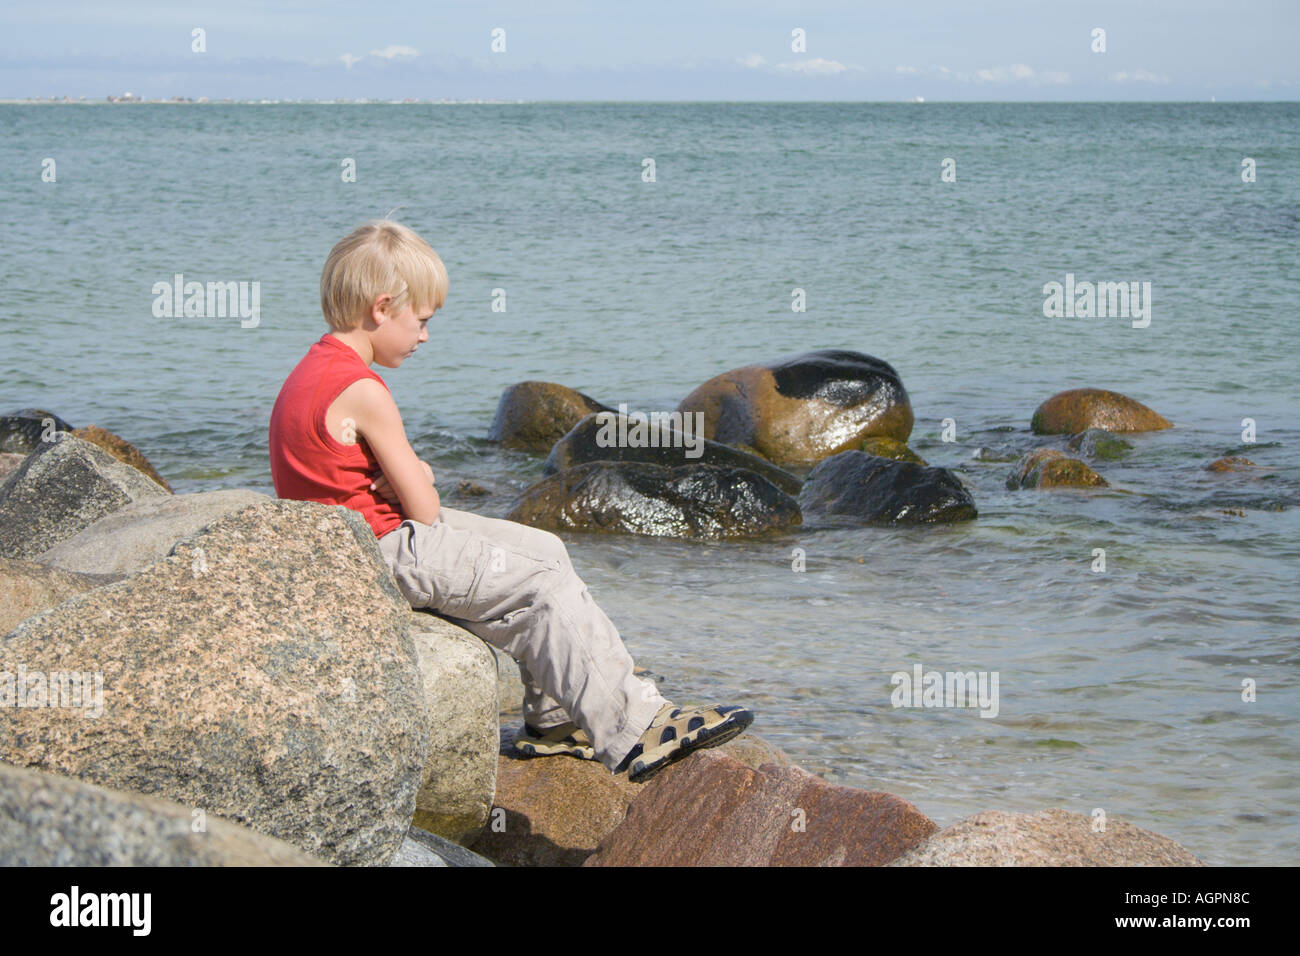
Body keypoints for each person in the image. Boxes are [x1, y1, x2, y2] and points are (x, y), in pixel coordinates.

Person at [268, 219, 753, 783]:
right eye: (421, 321)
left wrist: (403, 480)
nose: (424, 336)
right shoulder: (364, 389)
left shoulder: (312, 371)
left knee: (543, 546)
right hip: (387, 550)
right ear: (381, 308)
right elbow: (424, 508)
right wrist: (418, 473)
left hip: (360, 541)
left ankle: (552, 720)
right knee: (542, 587)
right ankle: (634, 730)